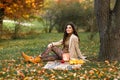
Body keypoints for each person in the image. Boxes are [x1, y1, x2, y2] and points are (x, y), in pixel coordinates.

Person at [21, 22, 86, 63]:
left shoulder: (74, 37)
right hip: (62, 55)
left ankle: (35, 58)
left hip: (67, 56)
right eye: (67, 28)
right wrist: (52, 43)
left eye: (69, 28)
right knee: (49, 57)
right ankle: (31, 59)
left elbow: (77, 48)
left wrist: (81, 57)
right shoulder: (67, 36)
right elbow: (59, 42)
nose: (67, 29)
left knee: (52, 47)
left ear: (73, 29)